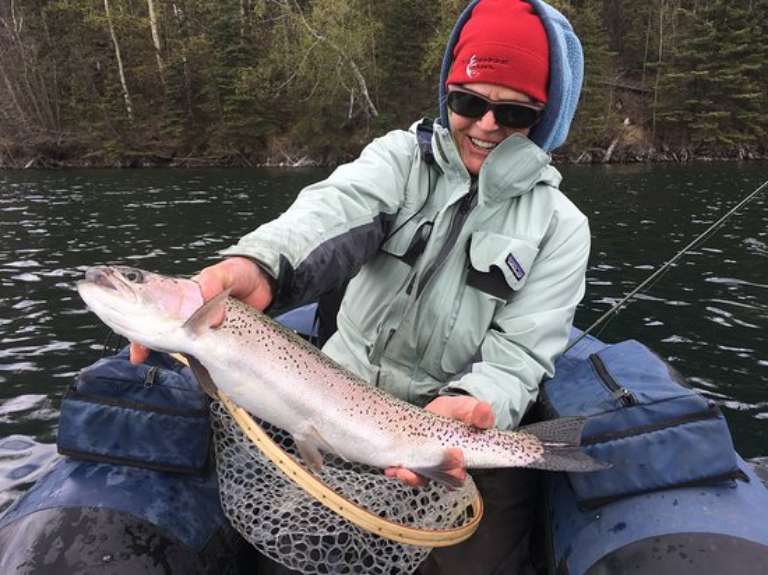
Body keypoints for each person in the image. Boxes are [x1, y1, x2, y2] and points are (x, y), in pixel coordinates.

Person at [132, 0, 587, 572]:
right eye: (468, 102)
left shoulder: (562, 227)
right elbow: (329, 215)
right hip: (332, 398)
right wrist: (259, 264)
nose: (487, 125)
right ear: (447, 95)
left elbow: (521, 351)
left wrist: (478, 404)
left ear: (544, 118)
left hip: (458, 432)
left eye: (514, 113)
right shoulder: (397, 161)